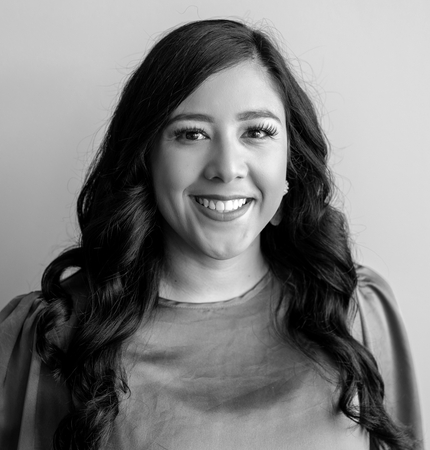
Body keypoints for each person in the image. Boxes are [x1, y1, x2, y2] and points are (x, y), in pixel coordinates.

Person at [0, 19, 423, 450]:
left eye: (256, 131)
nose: (226, 166)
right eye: (192, 133)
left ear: (290, 164)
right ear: (147, 160)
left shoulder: (356, 311)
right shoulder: (51, 336)